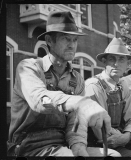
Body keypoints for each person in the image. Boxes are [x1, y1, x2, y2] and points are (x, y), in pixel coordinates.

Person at [7, 11, 120, 157]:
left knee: (113, 155)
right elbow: (40, 100)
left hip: (61, 145)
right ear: (49, 40)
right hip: (27, 146)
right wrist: (80, 102)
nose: (72, 45)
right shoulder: (29, 67)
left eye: (75, 40)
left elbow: (75, 121)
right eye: (66, 39)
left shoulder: (77, 79)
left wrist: (78, 146)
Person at [84, 37, 131, 157]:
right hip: (100, 144)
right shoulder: (94, 86)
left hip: (121, 139)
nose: (116, 64)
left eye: (121, 59)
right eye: (112, 59)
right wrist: (121, 138)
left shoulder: (123, 85)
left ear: (127, 64)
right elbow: (100, 129)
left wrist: (127, 136)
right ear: (104, 62)